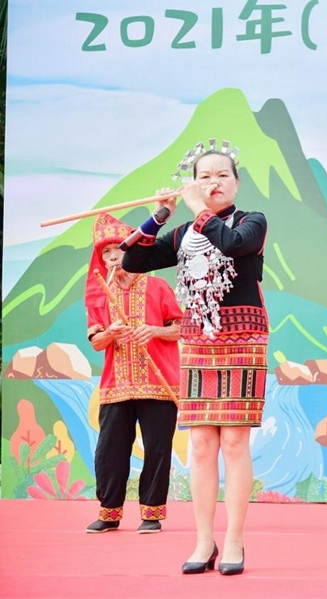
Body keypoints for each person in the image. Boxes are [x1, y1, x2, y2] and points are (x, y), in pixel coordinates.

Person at [122, 140, 268, 576]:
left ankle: (235, 539)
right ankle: (204, 540)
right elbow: (133, 260)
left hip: (243, 338)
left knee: (234, 442)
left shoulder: (252, 221)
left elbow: (233, 245)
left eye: (222, 175)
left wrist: (197, 208)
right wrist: (160, 216)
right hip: (199, 341)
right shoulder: (183, 233)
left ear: (236, 183)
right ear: (193, 182)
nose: (213, 182)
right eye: (204, 176)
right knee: (202, 444)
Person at [84, 213, 182, 535]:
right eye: (106, 252)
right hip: (116, 386)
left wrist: (153, 330)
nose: (113, 257)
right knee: (109, 451)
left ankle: (151, 514)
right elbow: (96, 342)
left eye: (119, 249)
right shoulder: (100, 294)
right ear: (101, 259)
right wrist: (110, 333)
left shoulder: (158, 287)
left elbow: (181, 328)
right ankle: (109, 513)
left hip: (158, 382)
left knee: (157, 449)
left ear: (132, 252)